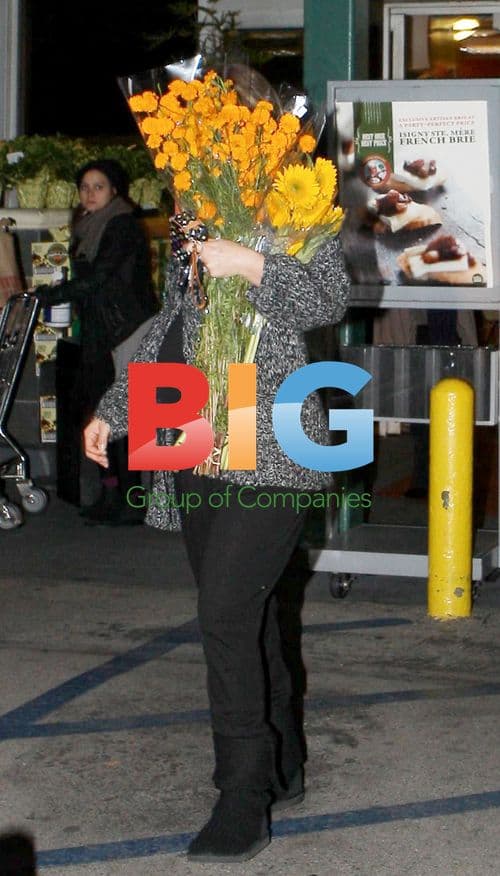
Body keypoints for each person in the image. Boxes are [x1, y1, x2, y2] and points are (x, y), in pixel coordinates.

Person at [84, 230, 351, 862]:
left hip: (275, 440)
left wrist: (254, 265)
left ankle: (242, 795)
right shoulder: (195, 214)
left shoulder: (299, 208)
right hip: (193, 432)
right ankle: (282, 763)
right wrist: (116, 408)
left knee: (225, 615)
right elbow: (170, 328)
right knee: (247, 614)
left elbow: (328, 300)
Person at [34, 159, 159, 523]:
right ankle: (112, 492)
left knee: (124, 414)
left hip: (127, 328)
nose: (90, 193)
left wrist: (53, 296)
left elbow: (101, 277)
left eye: (98, 186)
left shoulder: (120, 225)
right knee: (103, 412)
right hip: (104, 329)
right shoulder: (89, 224)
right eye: (85, 187)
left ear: (115, 191)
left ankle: (132, 500)